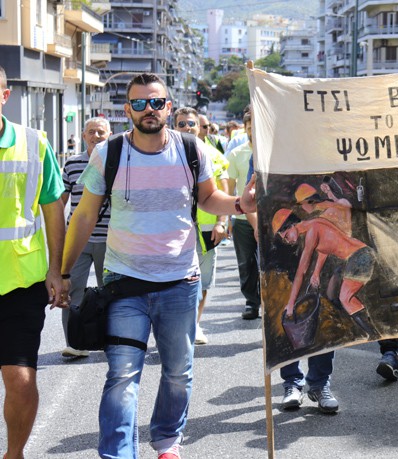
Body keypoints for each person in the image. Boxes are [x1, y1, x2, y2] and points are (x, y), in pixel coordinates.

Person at [60, 73, 256, 459]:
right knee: (122, 375)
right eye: (139, 103)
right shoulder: (109, 153)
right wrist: (63, 272)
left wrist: (237, 206)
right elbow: (83, 217)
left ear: (168, 106)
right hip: (123, 284)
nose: (148, 110)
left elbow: (209, 198)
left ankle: (167, 441)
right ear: (126, 109)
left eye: (156, 102)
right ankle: (118, 453)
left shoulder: (190, 149)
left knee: (178, 374)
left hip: (179, 282)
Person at [0, 65, 66, 459]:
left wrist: (57, 270)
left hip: (21, 281)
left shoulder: (34, 143)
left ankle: (14, 454)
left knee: (20, 378)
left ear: (5, 95)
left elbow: (53, 209)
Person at [273, 208, 380, 414]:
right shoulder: (316, 227)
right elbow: (323, 251)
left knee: (344, 299)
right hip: (355, 258)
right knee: (335, 300)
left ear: (292, 225)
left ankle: (372, 333)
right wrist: (316, 274)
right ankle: (297, 383)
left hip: (360, 257)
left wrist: (291, 303)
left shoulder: (311, 229)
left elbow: (302, 268)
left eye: (286, 235)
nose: (286, 240)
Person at [174, 107, 230, 345]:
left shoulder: (213, 154)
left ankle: (195, 325)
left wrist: (221, 222)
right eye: (182, 124)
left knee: (203, 280)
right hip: (175, 229)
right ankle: (179, 327)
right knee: (178, 280)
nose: (187, 128)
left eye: (191, 124)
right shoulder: (165, 152)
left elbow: (224, 189)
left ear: (199, 127)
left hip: (207, 228)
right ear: (174, 126)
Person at [60, 116, 112, 358]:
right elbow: (59, 201)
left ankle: (112, 340)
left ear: (109, 135)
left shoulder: (116, 162)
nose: (96, 136)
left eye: (101, 132)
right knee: (72, 290)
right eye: (91, 132)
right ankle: (74, 342)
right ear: (83, 136)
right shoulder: (71, 164)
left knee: (111, 291)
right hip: (78, 239)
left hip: (110, 239)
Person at [226, 110, 261, 320]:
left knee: (267, 264)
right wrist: (228, 218)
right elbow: (230, 190)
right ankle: (251, 301)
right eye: (250, 127)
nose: (253, 131)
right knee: (246, 263)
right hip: (242, 218)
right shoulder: (236, 154)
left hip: (268, 220)